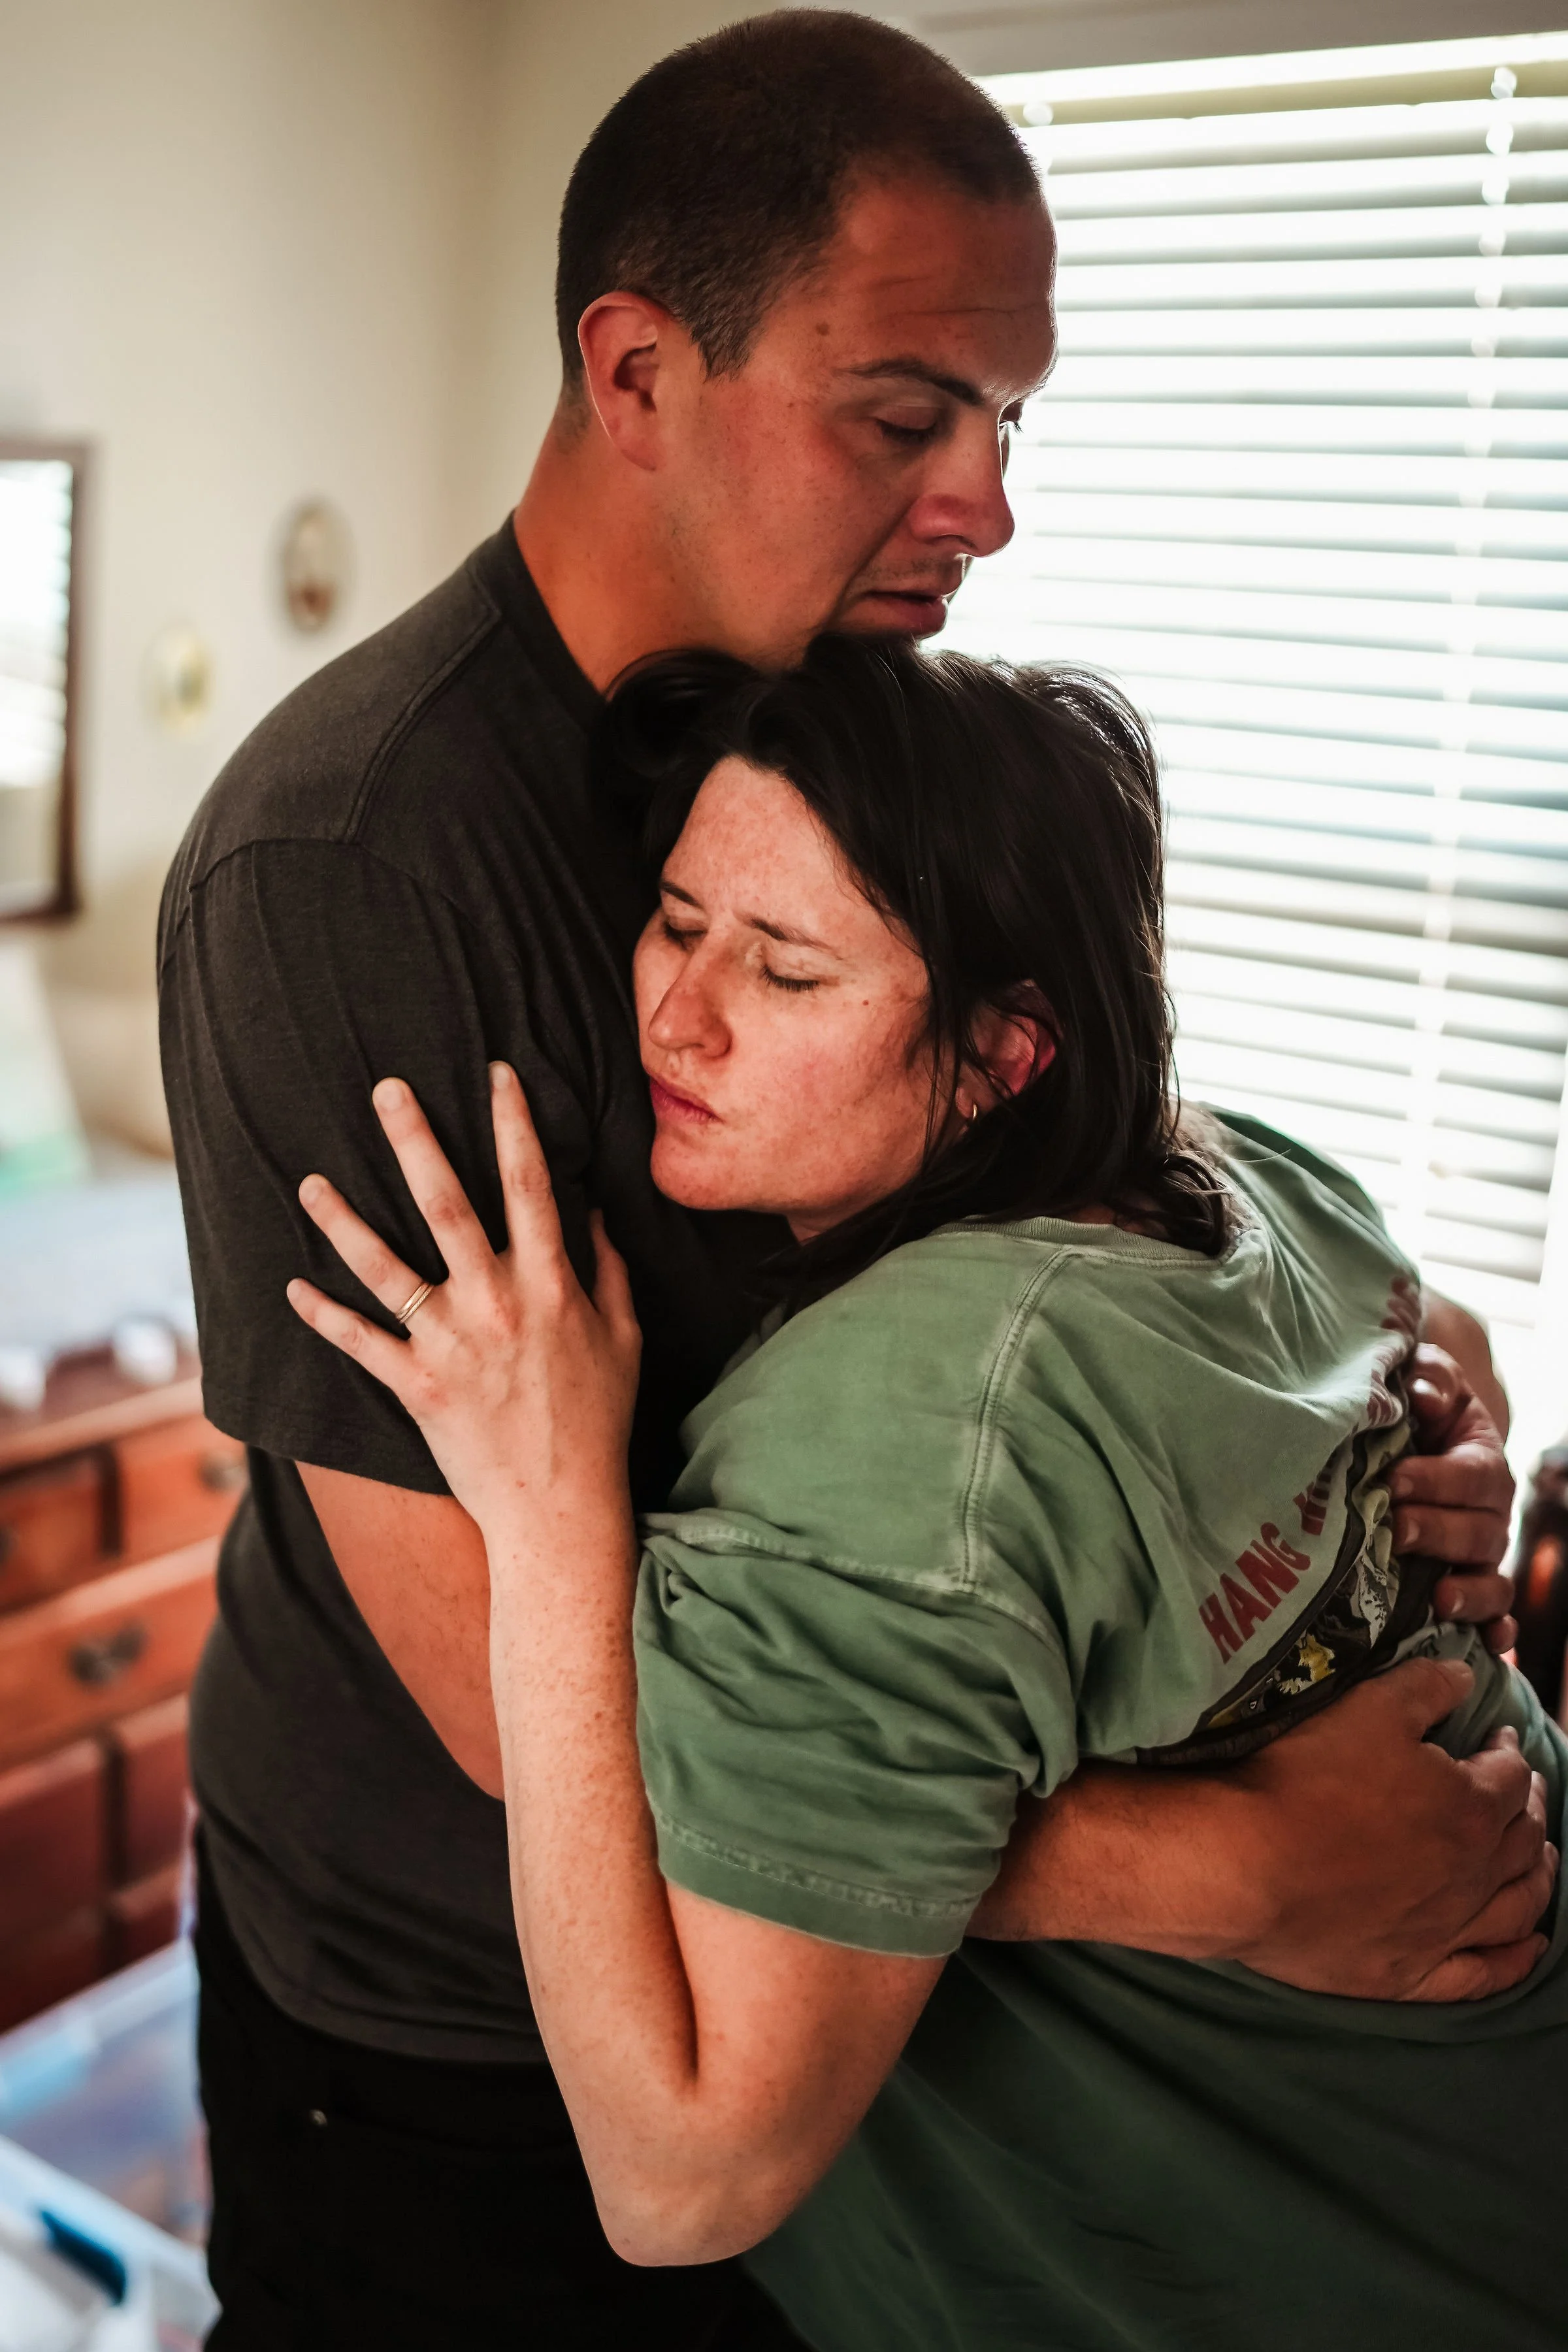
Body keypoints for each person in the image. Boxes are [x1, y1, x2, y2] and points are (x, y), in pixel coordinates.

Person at [157, 14, 1531, 2346]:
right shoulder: (351, 868)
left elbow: (1055, 1116)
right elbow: (522, 1698)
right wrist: (1233, 1870)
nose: (989, 503)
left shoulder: (844, 705)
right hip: (479, 2024)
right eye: (907, 418)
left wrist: (1369, 1407)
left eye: (1010, 427)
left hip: (875, 1982)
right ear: (635, 370)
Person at [288, 636, 1567, 2351]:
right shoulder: (1241, 1174)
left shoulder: (899, 1436)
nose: (676, 1014)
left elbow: (677, 2183)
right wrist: (1441, 1393)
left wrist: (547, 1517)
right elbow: (1446, 1316)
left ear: (999, 1057)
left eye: (791, 972)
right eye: (677, 924)